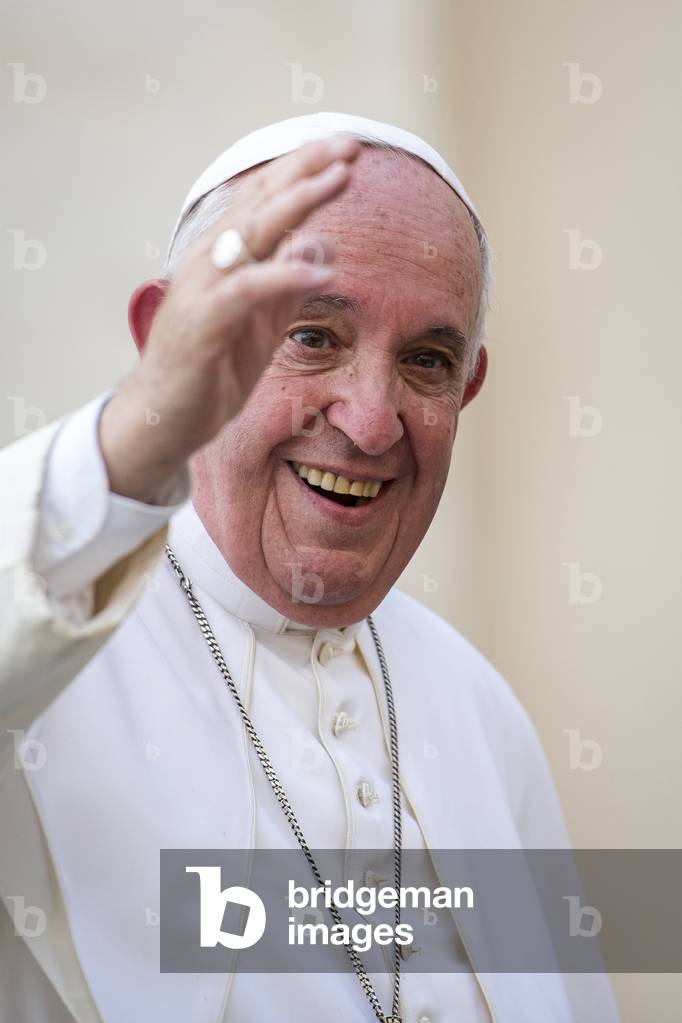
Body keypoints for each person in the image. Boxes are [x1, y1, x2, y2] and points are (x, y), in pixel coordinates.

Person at [0, 112, 619, 1022]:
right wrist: (134, 436)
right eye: (313, 335)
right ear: (168, 340)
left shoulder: (481, 711)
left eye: (426, 360)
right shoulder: (42, 658)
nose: (371, 422)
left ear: (468, 387)